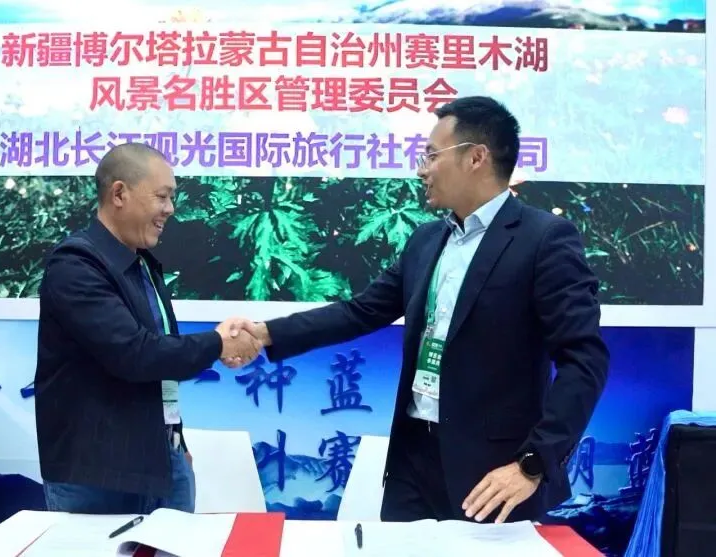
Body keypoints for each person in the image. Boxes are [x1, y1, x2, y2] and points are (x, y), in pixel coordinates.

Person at [233, 96, 609, 524]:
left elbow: (585, 360)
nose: (420, 169)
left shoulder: (543, 239)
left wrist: (533, 463)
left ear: (476, 158)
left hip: (494, 473)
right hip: (412, 460)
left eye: (431, 155)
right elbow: (361, 311)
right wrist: (266, 333)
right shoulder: (427, 240)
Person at [34, 142, 260, 515]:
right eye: (162, 196)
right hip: (99, 475)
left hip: (162, 459)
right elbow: (135, 354)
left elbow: (158, 363)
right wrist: (218, 344)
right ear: (119, 194)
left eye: (172, 198)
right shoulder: (75, 265)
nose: (170, 209)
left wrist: (176, 440)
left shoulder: (142, 265)